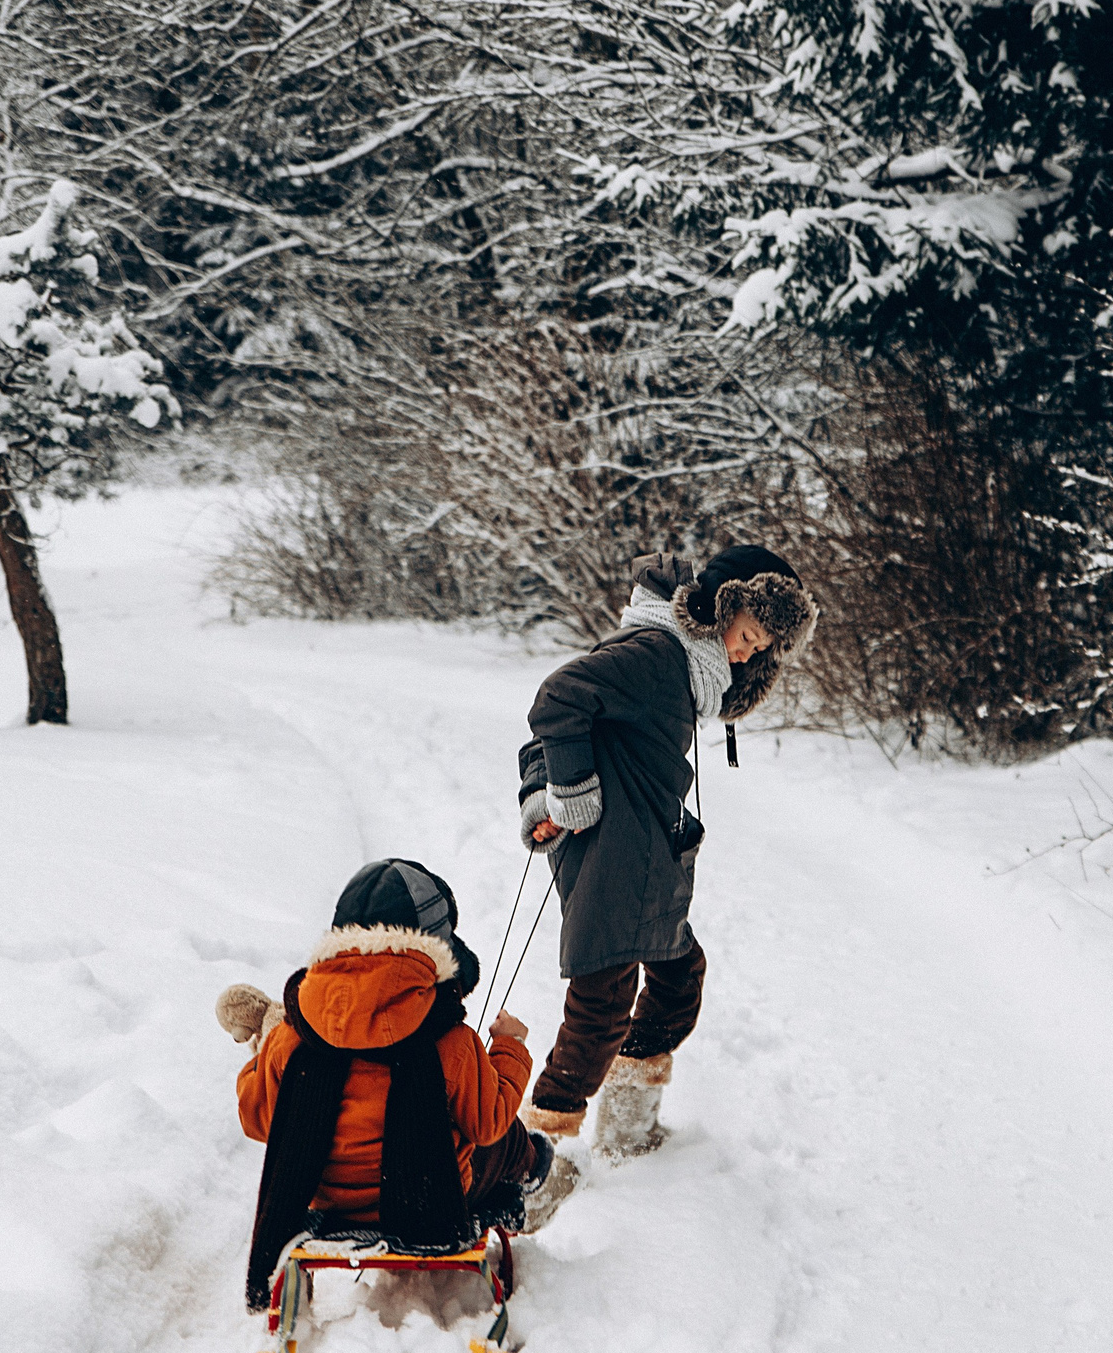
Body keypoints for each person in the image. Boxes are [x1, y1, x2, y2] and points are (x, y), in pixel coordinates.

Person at [515, 545, 821, 1157]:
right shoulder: (657, 656)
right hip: (615, 860)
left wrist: (544, 798)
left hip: (647, 859)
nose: (747, 652)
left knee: (678, 982)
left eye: (761, 650)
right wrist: (567, 793)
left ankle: (627, 1130)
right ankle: (523, 1163)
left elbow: (574, 728)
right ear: (722, 607)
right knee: (598, 1014)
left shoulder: (681, 668)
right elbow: (557, 701)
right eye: (749, 634)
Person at [218, 857, 566, 1310]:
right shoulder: (450, 1040)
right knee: (498, 1132)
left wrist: (263, 1052)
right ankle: (536, 1165)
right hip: (432, 1200)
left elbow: (258, 1118)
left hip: (330, 1201)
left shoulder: (294, 1036)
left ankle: (534, 1160)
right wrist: (509, 1047)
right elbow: (488, 1123)